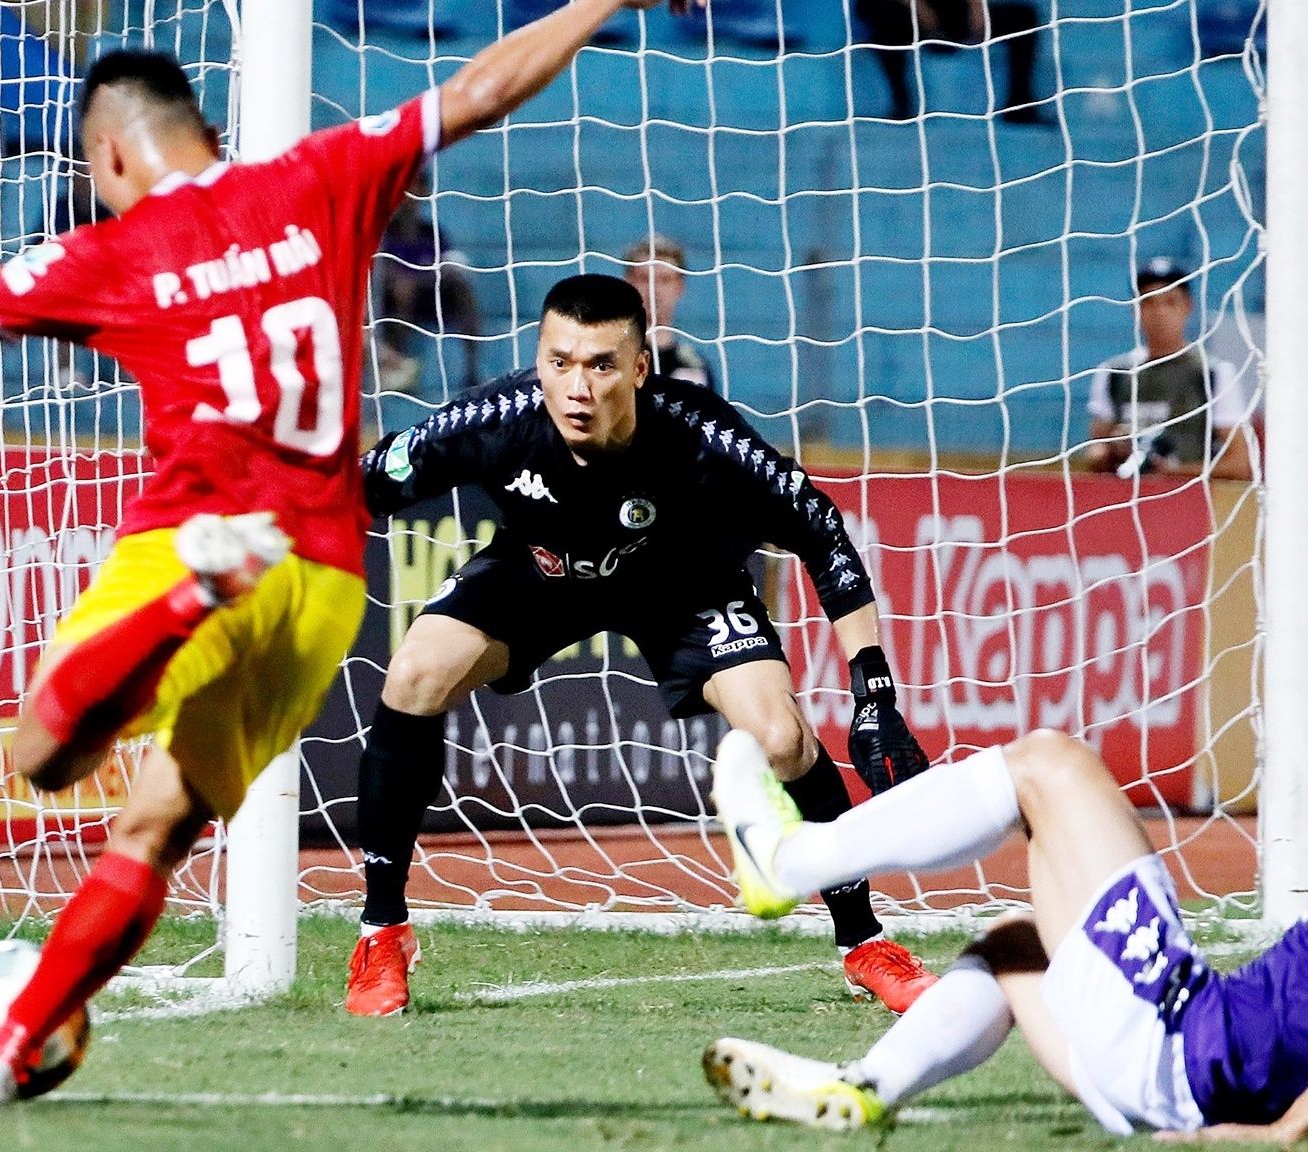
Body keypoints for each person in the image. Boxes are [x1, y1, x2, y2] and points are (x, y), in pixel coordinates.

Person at [0, 0, 691, 1114]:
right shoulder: (324, 177)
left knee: (44, 754)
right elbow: (480, 90)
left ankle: (188, 596)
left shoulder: (111, 249)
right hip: (322, 574)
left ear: (111, 153)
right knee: (159, 831)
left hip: (200, 531)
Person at [700, 607, 1308, 1147]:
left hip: (1199, 1057)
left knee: (1049, 764)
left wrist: (1283, 1136)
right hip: (1205, 1080)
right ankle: (863, 1091)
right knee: (1021, 943)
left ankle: (792, 859)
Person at [346, 272, 937, 1018]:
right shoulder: (495, 418)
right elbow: (364, 484)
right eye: (559, 362)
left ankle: (864, 944)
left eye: (599, 364)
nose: (577, 387)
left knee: (783, 739)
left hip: (684, 586)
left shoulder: (700, 436)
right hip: (542, 572)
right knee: (414, 673)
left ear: (638, 368)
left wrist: (874, 692)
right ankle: (382, 931)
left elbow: (820, 528)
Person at [1082, 257, 1253, 481]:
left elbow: (1240, 465)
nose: (1160, 312)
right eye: (1149, 302)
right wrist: (1114, 450)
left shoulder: (1213, 373)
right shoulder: (1114, 373)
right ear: (1135, 309)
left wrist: (1172, 472)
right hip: (1127, 502)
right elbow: (1094, 458)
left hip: (1190, 505)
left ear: (1187, 307)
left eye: (1170, 302)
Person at [372, 173, 481, 395]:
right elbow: (379, 271)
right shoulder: (384, 235)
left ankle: (472, 370)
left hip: (428, 294)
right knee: (404, 289)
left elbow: (449, 264)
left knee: (462, 289)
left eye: (415, 189)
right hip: (391, 300)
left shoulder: (431, 232)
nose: (409, 198)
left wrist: (421, 278)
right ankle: (397, 366)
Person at [850, 0, 1044, 123]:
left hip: (952, 13)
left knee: (1024, 17)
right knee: (880, 17)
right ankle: (902, 105)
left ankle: (1019, 106)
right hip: (906, 14)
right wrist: (921, 10)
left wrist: (977, 7)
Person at [621, 235, 713, 388]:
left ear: (680, 287)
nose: (654, 290)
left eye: (665, 280)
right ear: (628, 282)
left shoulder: (694, 366)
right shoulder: (614, 357)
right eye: (645, 278)